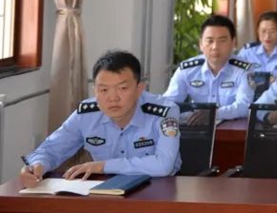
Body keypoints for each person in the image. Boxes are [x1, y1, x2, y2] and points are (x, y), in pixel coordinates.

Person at [20, 50, 180, 186]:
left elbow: (164, 164)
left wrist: (102, 166)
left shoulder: (163, 112)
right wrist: (37, 166)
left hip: (158, 187)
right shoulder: (86, 115)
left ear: (139, 89)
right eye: (104, 90)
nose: (113, 98)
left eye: (122, 88)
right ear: (94, 90)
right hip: (104, 188)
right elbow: (51, 149)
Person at [164, 14, 254, 120]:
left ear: (233, 43)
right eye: (209, 41)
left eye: (222, 41)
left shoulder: (243, 70)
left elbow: (244, 106)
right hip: (196, 126)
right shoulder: (187, 70)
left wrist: (214, 114)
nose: (215, 47)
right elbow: (168, 103)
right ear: (201, 44)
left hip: (230, 127)